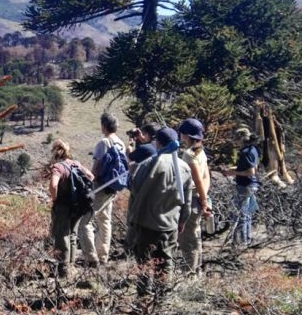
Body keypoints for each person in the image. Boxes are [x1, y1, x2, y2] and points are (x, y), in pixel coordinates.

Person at [127, 127, 194, 297]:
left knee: (143, 261)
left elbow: (135, 188)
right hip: (170, 223)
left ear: (158, 142)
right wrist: (182, 221)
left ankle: (143, 298)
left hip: (146, 221)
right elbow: (187, 200)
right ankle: (162, 298)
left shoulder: (151, 163)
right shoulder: (184, 167)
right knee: (166, 261)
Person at [78, 113, 127, 268]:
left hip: (100, 186)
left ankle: (91, 258)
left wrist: (88, 180)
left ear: (104, 125)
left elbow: (96, 168)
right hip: (113, 186)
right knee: (105, 221)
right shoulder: (121, 143)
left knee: (85, 222)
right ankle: (103, 255)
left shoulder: (103, 142)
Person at [46, 139, 95, 278]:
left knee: (62, 235)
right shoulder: (76, 164)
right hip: (78, 206)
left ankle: (63, 269)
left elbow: (54, 185)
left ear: (55, 153)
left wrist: (54, 198)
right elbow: (91, 176)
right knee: (73, 235)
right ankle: (72, 265)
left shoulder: (58, 167)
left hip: (63, 206)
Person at [177, 118, 212, 275]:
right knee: (196, 237)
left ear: (186, 135)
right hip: (198, 197)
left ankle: (188, 274)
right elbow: (206, 178)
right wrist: (203, 198)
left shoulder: (188, 155)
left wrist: (202, 201)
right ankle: (196, 270)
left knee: (187, 238)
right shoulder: (201, 151)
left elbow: (197, 179)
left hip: (192, 199)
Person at [224, 127, 260, 246]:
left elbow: (250, 171)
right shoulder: (253, 150)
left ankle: (240, 242)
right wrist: (233, 169)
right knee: (246, 213)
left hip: (245, 185)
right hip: (252, 185)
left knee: (239, 214)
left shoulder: (245, 153)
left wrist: (234, 173)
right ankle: (247, 239)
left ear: (241, 139)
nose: (235, 142)